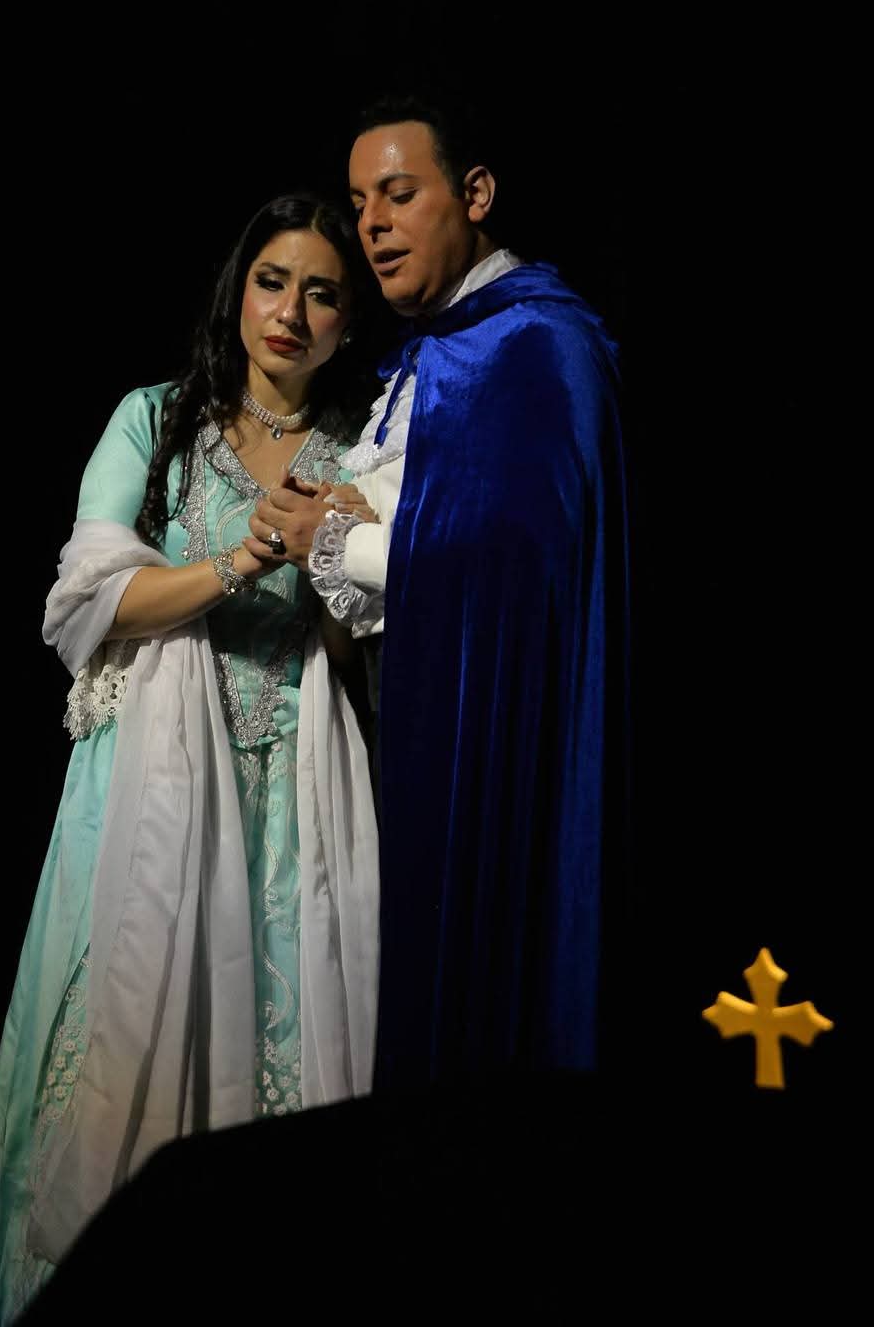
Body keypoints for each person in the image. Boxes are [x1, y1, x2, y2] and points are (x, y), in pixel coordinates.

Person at [0, 194, 380, 1326]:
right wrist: (243, 555)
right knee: (113, 1080)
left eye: (322, 292)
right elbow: (86, 604)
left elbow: (356, 652)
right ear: (238, 290)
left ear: (347, 320)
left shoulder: (365, 449)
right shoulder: (155, 418)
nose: (290, 310)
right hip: (148, 794)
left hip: (293, 803)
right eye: (272, 281)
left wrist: (333, 551)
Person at [256, 100, 630, 1088]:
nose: (372, 223)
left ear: (474, 194)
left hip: (499, 736)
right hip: (417, 725)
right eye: (358, 203)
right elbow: (446, 518)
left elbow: (520, 565)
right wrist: (344, 516)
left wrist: (334, 540)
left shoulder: (537, 343)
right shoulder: (434, 353)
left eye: (398, 193)